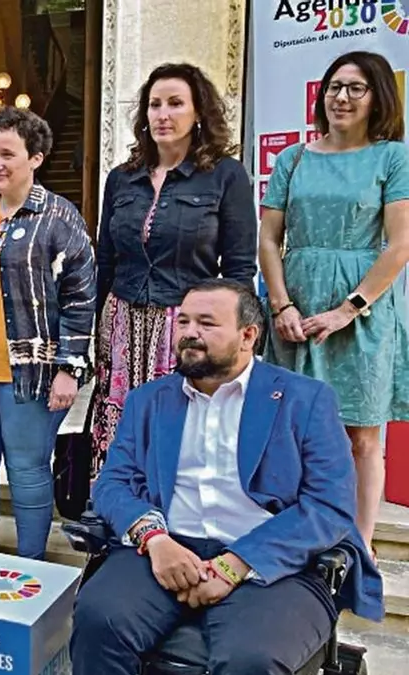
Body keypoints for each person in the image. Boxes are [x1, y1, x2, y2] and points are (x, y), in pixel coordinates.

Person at [70, 279, 382, 675]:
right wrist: (155, 539)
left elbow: (329, 506)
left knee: (250, 659)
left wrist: (236, 564)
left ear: (248, 335)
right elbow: (113, 483)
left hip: (270, 561)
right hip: (167, 548)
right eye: (183, 321)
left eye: (206, 323)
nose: (189, 333)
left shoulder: (305, 400)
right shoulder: (148, 400)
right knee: (99, 622)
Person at [259, 50, 409, 556]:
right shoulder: (293, 158)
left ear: (377, 98)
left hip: (363, 312)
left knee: (363, 435)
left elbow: (400, 245)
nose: (341, 97)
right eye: (334, 87)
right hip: (296, 308)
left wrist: (349, 309)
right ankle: (302, 534)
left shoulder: (393, 157)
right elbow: (268, 239)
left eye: (355, 88)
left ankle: (358, 548)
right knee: (293, 430)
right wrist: (281, 306)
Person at [90, 63, 258, 472]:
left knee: (180, 431)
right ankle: (119, 506)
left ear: (199, 112)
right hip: (122, 323)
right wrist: (94, 330)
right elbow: (106, 259)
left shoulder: (225, 176)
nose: (163, 115)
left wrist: (236, 341)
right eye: (154, 105)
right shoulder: (121, 179)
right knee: (121, 429)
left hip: (186, 326)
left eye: (175, 104)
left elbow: (239, 268)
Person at [0, 107, 95, 559]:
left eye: (7, 154)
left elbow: (81, 296)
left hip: (31, 373)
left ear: (35, 158)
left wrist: (69, 368)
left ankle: (32, 564)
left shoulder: (59, 216)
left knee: (28, 470)